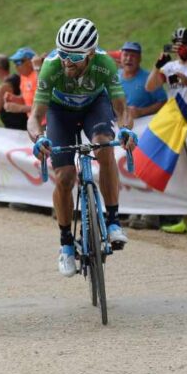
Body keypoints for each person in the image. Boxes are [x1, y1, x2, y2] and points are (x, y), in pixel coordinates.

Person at [28, 18, 136, 277]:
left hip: (93, 106)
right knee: (64, 177)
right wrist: (38, 138)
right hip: (59, 112)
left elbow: (122, 108)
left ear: (90, 54)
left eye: (74, 56)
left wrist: (125, 129)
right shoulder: (51, 67)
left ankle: (112, 220)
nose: (66, 60)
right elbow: (34, 116)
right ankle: (66, 244)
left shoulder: (104, 65)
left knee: (103, 147)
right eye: (63, 53)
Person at [146, 27, 187, 235]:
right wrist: (158, 67)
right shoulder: (169, 66)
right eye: (176, 44)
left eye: (183, 44)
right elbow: (150, 87)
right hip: (175, 125)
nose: (179, 48)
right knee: (183, 174)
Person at [118, 41, 167, 119]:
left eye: (133, 56)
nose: (128, 59)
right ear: (121, 57)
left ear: (139, 59)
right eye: (125, 55)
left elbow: (163, 102)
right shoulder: (113, 77)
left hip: (142, 126)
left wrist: (141, 111)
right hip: (117, 126)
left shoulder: (150, 79)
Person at [2, 47, 38, 118]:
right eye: (15, 63)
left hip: (45, 121)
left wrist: (19, 108)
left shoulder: (38, 76)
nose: (15, 66)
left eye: (18, 62)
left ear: (30, 62)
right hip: (34, 120)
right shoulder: (23, 77)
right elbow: (25, 99)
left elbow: (45, 106)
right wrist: (14, 98)